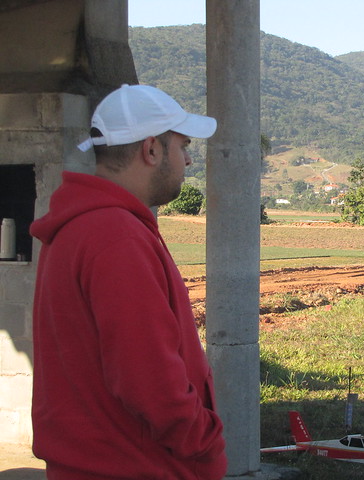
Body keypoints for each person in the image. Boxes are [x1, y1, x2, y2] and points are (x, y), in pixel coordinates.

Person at [30, 84, 227, 480]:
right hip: (135, 467)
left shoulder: (84, 225)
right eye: (183, 145)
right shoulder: (116, 236)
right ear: (151, 149)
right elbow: (150, 380)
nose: (188, 159)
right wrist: (205, 444)